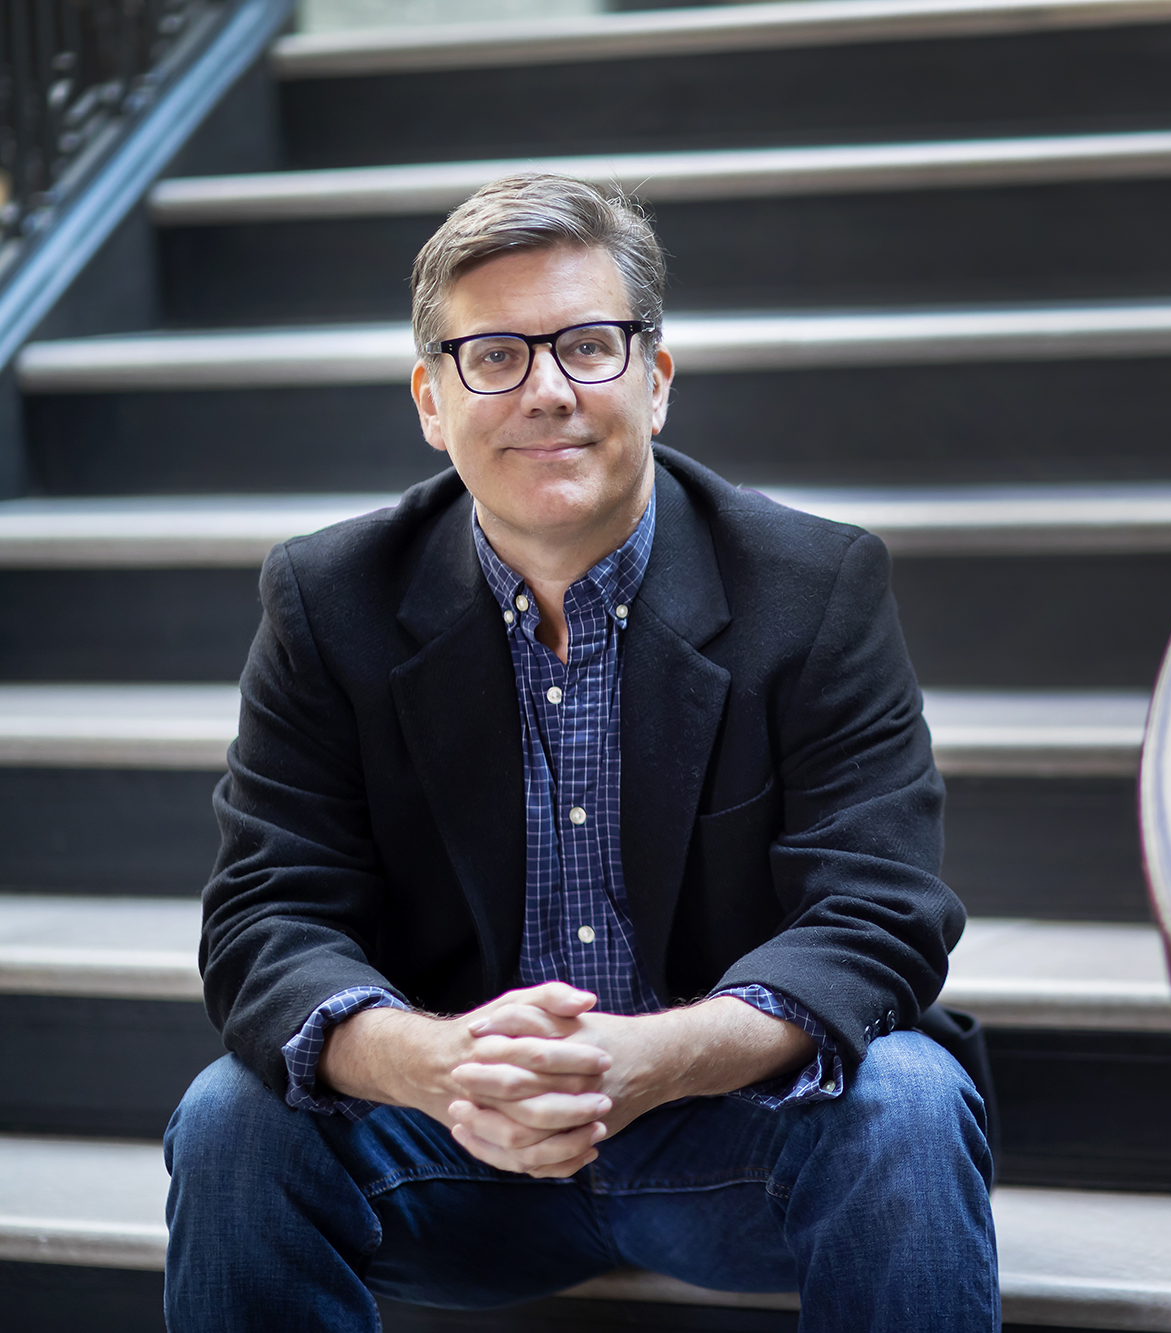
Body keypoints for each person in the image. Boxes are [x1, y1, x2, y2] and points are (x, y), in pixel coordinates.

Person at [161, 173, 998, 1333]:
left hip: (731, 1134)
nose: (546, 390)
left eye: (589, 346)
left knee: (907, 1097)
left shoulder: (811, 587)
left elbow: (879, 914)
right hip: (461, 1149)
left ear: (654, 380)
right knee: (230, 1119)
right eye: (494, 355)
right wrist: (437, 1064)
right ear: (429, 399)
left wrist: (651, 1057)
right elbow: (265, 915)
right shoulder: (328, 599)